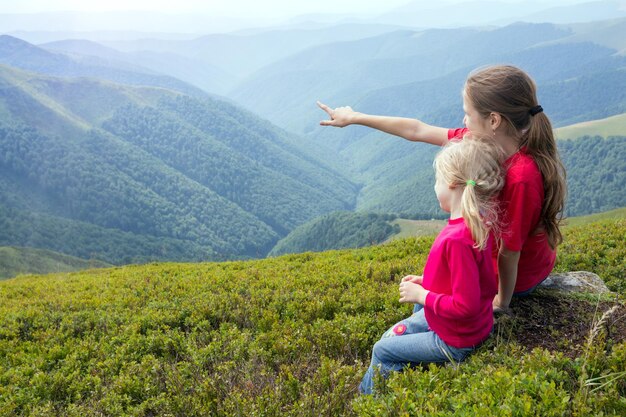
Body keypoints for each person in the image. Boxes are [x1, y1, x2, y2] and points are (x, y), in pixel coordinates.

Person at [317, 65, 566, 312]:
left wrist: (501, 303)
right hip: (497, 260)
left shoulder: (521, 176)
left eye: (468, 114)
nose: (463, 120)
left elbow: (510, 252)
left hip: (519, 276)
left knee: (426, 301)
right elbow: (417, 130)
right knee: (429, 289)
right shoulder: (480, 143)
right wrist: (354, 118)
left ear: (494, 120)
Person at [358, 138, 505, 394]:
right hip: (473, 326)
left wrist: (422, 295)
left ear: (451, 183)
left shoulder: (456, 239)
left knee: (381, 349)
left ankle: (367, 401)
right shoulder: (479, 223)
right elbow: (479, 281)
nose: (435, 187)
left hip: (454, 340)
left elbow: (465, 305)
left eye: (437, 181)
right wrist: (427, 280)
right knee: (390, 336)